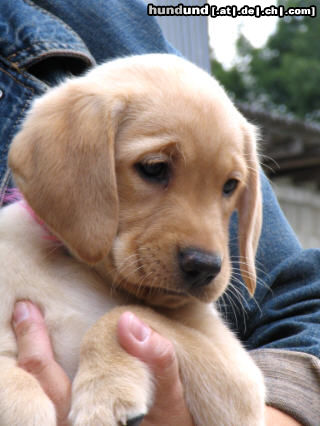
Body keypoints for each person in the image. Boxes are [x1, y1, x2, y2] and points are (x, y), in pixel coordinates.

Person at [1, 1, 319, 425]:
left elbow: (248, 398)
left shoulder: (93, 14)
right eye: (154, 169)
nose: (206, 254)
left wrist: (121, 341)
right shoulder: (12, 253)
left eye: (229, 187)